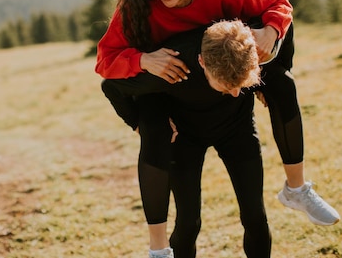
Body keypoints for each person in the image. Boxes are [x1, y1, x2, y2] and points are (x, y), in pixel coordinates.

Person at [95, 0, 339, 256]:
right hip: (180, 114)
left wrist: (270, 30)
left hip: (231, 107)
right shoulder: (138, 8)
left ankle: (296, 188)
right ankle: (159, 248)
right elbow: (105, 64)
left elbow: (279, 5)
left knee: (281, 85)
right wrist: (142, 60)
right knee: (187, 221)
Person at [102, 20, 269, 257]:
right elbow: (111, 86)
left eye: (241, 83)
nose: (235, 93)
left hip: (237, 130)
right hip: (186, 138)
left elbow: (280, 34)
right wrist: (137, 123)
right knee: (189, 223)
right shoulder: (174, 65)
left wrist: (265, 87)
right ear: (202, 63)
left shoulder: (247, 46)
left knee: (254, 216)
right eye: (226, 85)